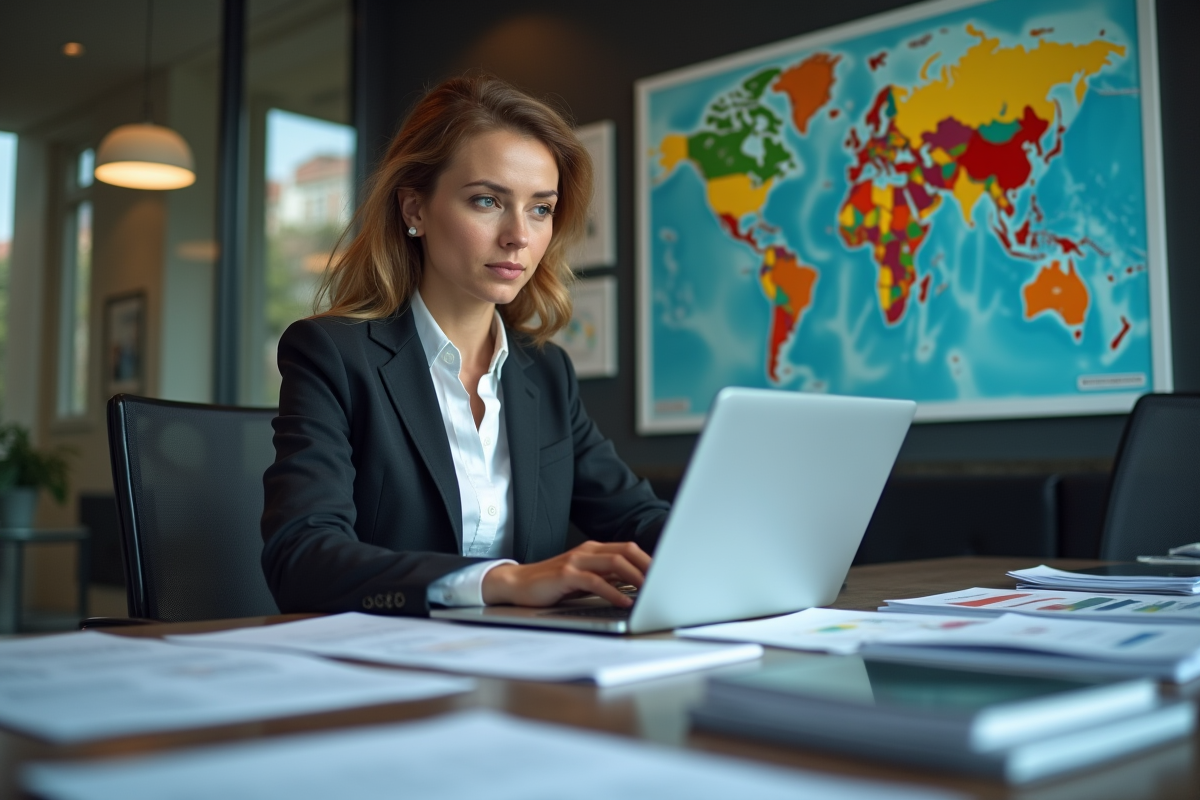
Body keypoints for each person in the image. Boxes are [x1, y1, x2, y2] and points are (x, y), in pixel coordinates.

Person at [261, 75, 669, 617]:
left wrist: (734, 546)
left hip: (530, 667)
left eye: (541, 209)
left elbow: (637, 517)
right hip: (387, 670)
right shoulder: (331, 354)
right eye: (486, 201)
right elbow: (302, 559)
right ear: (415, 210)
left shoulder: (546, 372)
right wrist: (498, 581)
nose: (519, 236)